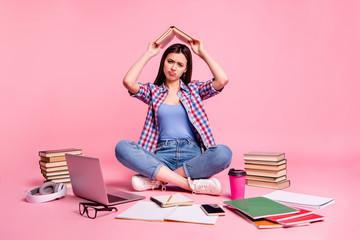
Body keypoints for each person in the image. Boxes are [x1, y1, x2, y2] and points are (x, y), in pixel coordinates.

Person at [115, 37, 232, 195]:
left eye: (180, 64)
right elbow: (128, 82)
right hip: (161, 157)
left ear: (185, 69)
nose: (173, 68)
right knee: (122, 147)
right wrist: (149, 53)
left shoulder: (194, 90)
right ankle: (189, 184)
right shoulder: (153, 92)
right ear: (163, 62)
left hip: (192, 157)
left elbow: (222, 79)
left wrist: (202, 53)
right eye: (170, 61)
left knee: (223, 153)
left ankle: (159, 180)